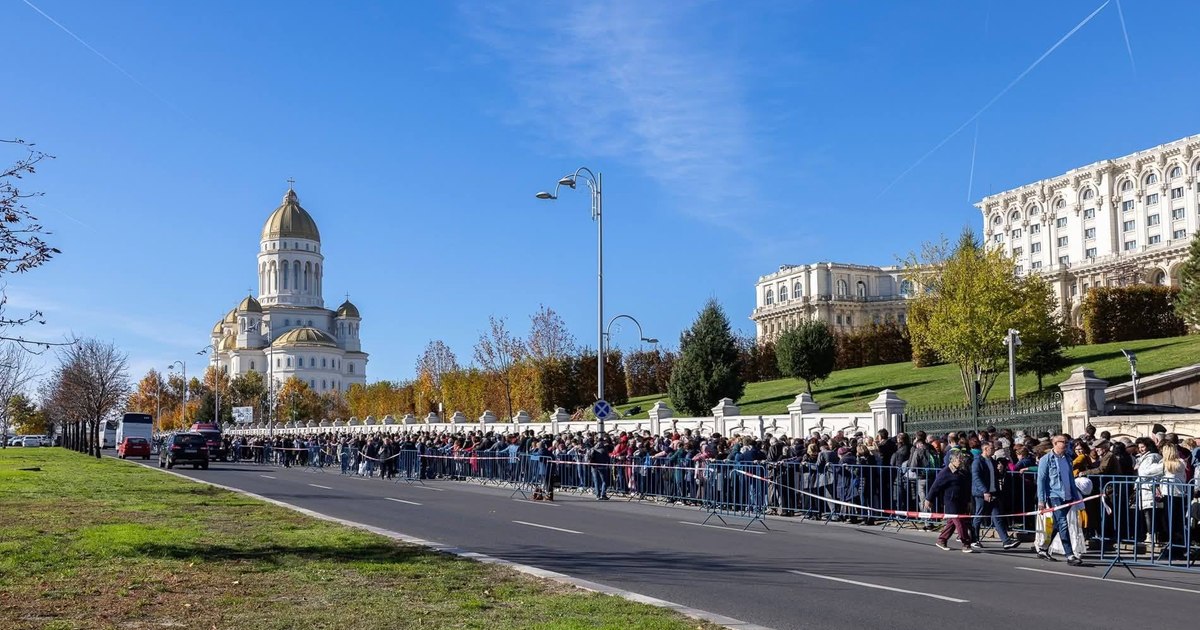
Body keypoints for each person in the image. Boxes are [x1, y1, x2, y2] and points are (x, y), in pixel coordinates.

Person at [1036, 434, 1085, 566]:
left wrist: (1076, 496)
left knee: (1058, 524)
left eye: (1067, 442)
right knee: (1063, 523)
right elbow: (1041, 480)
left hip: (1068, 496)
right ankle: (1070, 555)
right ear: (1055, 443)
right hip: (1054, 495)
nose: (1066, 444)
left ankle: (1043, 549)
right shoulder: (1046, 459)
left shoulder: (1068, 459)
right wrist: (1041, 500)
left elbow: (1070, 479)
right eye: (1063, 442)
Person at [971, 442, 1020, 550]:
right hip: (981, 494)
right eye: (991, 448)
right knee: (979, 515)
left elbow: (996, 476)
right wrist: (984, 491)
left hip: (993, 492)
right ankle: (974, 539)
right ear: (985, 449)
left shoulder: (993, 461)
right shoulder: (978, 461)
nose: (993, 450)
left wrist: (1001, 471)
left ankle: (1006, 541)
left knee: (997, 516)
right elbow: (976, 477)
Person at [925, 451, 974, 552]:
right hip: (951, 502)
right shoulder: (946, 472)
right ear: (952, 460)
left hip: (962, 500)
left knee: (952, 523)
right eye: (959, 459)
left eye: (961, 459)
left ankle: (941, 540)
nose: (961, 461)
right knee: (959, 522)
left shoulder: (963, 471)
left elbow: (967, 487)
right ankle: (966, 543)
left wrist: (968, 500)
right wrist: (929, 499)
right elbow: (936, 486)